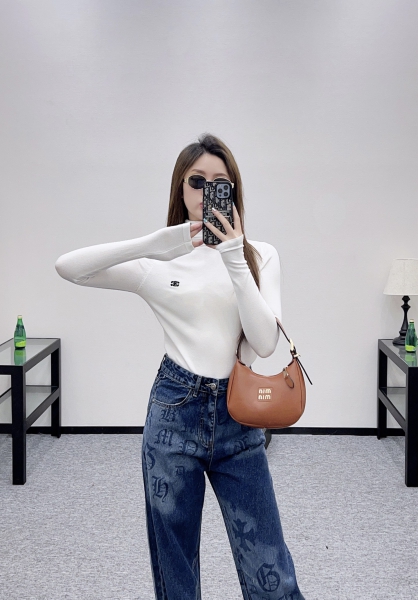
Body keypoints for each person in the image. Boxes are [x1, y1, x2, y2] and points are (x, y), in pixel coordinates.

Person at [55, 133, 305, 600]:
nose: (207, 192)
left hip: (238, 418)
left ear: (234, 190)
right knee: (176, 573)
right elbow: (68, 267)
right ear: (181, 188)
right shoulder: (158, 261)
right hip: (175, 411)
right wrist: (154, 242)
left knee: (270, 571)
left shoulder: (260, 254)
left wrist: (233, 256)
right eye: (196, 181)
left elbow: (266, 342)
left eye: (220, 182)